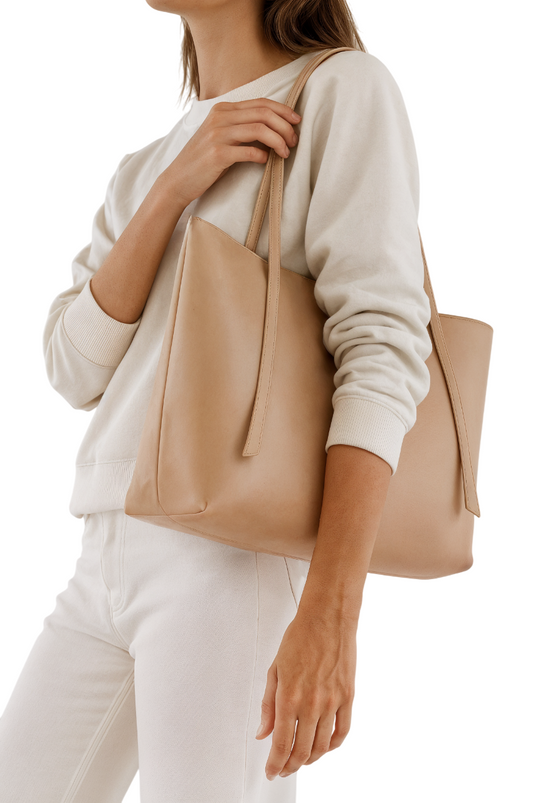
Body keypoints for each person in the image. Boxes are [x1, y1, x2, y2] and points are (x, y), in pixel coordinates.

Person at [0, 0, 433, 800]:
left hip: (226, 558)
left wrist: (332, 614)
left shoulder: (338, 92)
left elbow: (381, 347)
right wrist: (171, 189)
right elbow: (71, 366)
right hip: (102, 556)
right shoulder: (150, 163)